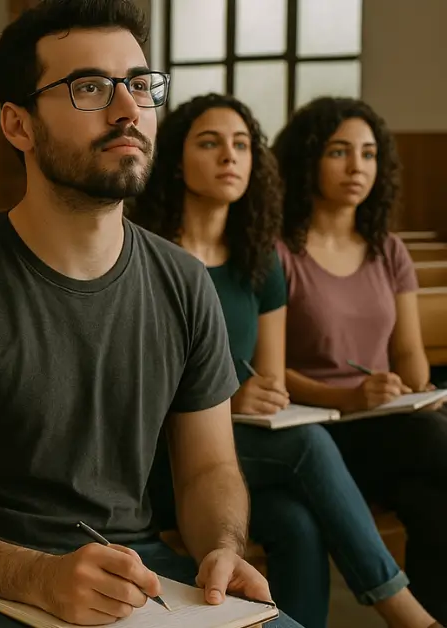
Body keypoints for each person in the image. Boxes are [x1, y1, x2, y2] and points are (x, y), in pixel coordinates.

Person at [0, 1, 300, 626]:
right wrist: (39, 576)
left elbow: (208, 467)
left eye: (140, 86)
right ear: (18, 125)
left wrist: (221, 549)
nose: (128, 110)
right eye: (90, 88)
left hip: (139, 575)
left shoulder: (183, 282)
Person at [133, 93, 438, 628]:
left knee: (298, 523)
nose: (230, 156)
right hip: (161, 455)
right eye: (210, 143)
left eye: (242, 145)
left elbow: (269, 377)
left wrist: (261, 392)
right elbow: (132, 387)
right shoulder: (146, 254)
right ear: (177, 162)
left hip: (239, 455)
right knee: (307, 443)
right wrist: (226, 398)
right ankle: (408, 615)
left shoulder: (258, 260)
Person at [273, 96, 447, 623]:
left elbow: (412, 359)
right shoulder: (279, 251)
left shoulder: (387, 249)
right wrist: (348, 396)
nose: (357, 167)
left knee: (434, 501)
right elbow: (270, 373)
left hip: (388, 432)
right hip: (316, 432)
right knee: (433, 440)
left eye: (369, 154)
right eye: (340, 152)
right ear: (308, 159)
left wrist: (411, 386)